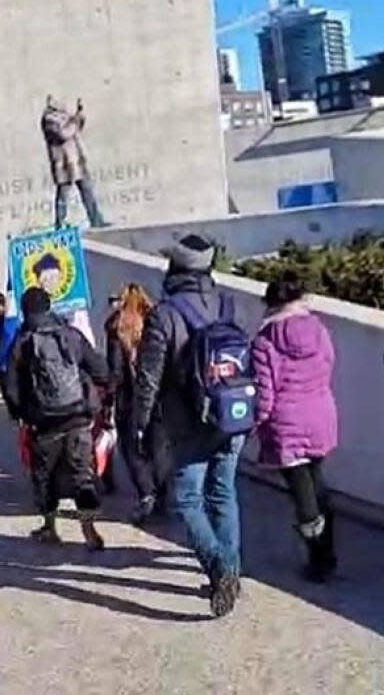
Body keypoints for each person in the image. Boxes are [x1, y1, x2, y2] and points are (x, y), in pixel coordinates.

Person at [134, 235, 250, 618]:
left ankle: (219, 567)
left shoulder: (163, 315)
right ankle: (231, 571)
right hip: (231, 416)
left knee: (186, 500)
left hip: (188, 421)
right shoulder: (226, 303)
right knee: (223, 493)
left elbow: (149, 377)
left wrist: (140, 424)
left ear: (176, 269)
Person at [3, 287, 112, 550]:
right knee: (82, 476)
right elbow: (101, 370)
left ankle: (50, 527)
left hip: (44, 423)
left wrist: (21, 413)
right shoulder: (71, 335)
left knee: (44, 477)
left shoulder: (23, 341)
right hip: (78, 416)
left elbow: (11, 387)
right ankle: (89, 530)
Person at [252, 272, 339, 583]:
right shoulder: (319, 330)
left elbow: (265, 392)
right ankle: (327, 551)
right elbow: (328, 365)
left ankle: (319, 556)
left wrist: (255, 425)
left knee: (302, 493)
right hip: (319, 413)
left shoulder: (265, 340)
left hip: (286, 422)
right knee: (317, 481)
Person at [106, 283, 171, 524]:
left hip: (129, 398)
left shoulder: (118, 327)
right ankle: (163, 495)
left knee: (131, 447)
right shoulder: (157, 322)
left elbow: (115, 370)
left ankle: (146, 494)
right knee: (159, 447)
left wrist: (107, 396)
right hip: (159, 397)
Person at [41, 94, 109, 229]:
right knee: (63, 196)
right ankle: (60, 224)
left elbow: (77, 128)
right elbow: (64, 133)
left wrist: (79, 115)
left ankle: (96, 220)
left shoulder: (65, 116)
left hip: (76, 161)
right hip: (63, 164)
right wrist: (75, 121)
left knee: (87, 191)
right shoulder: (49, 119)